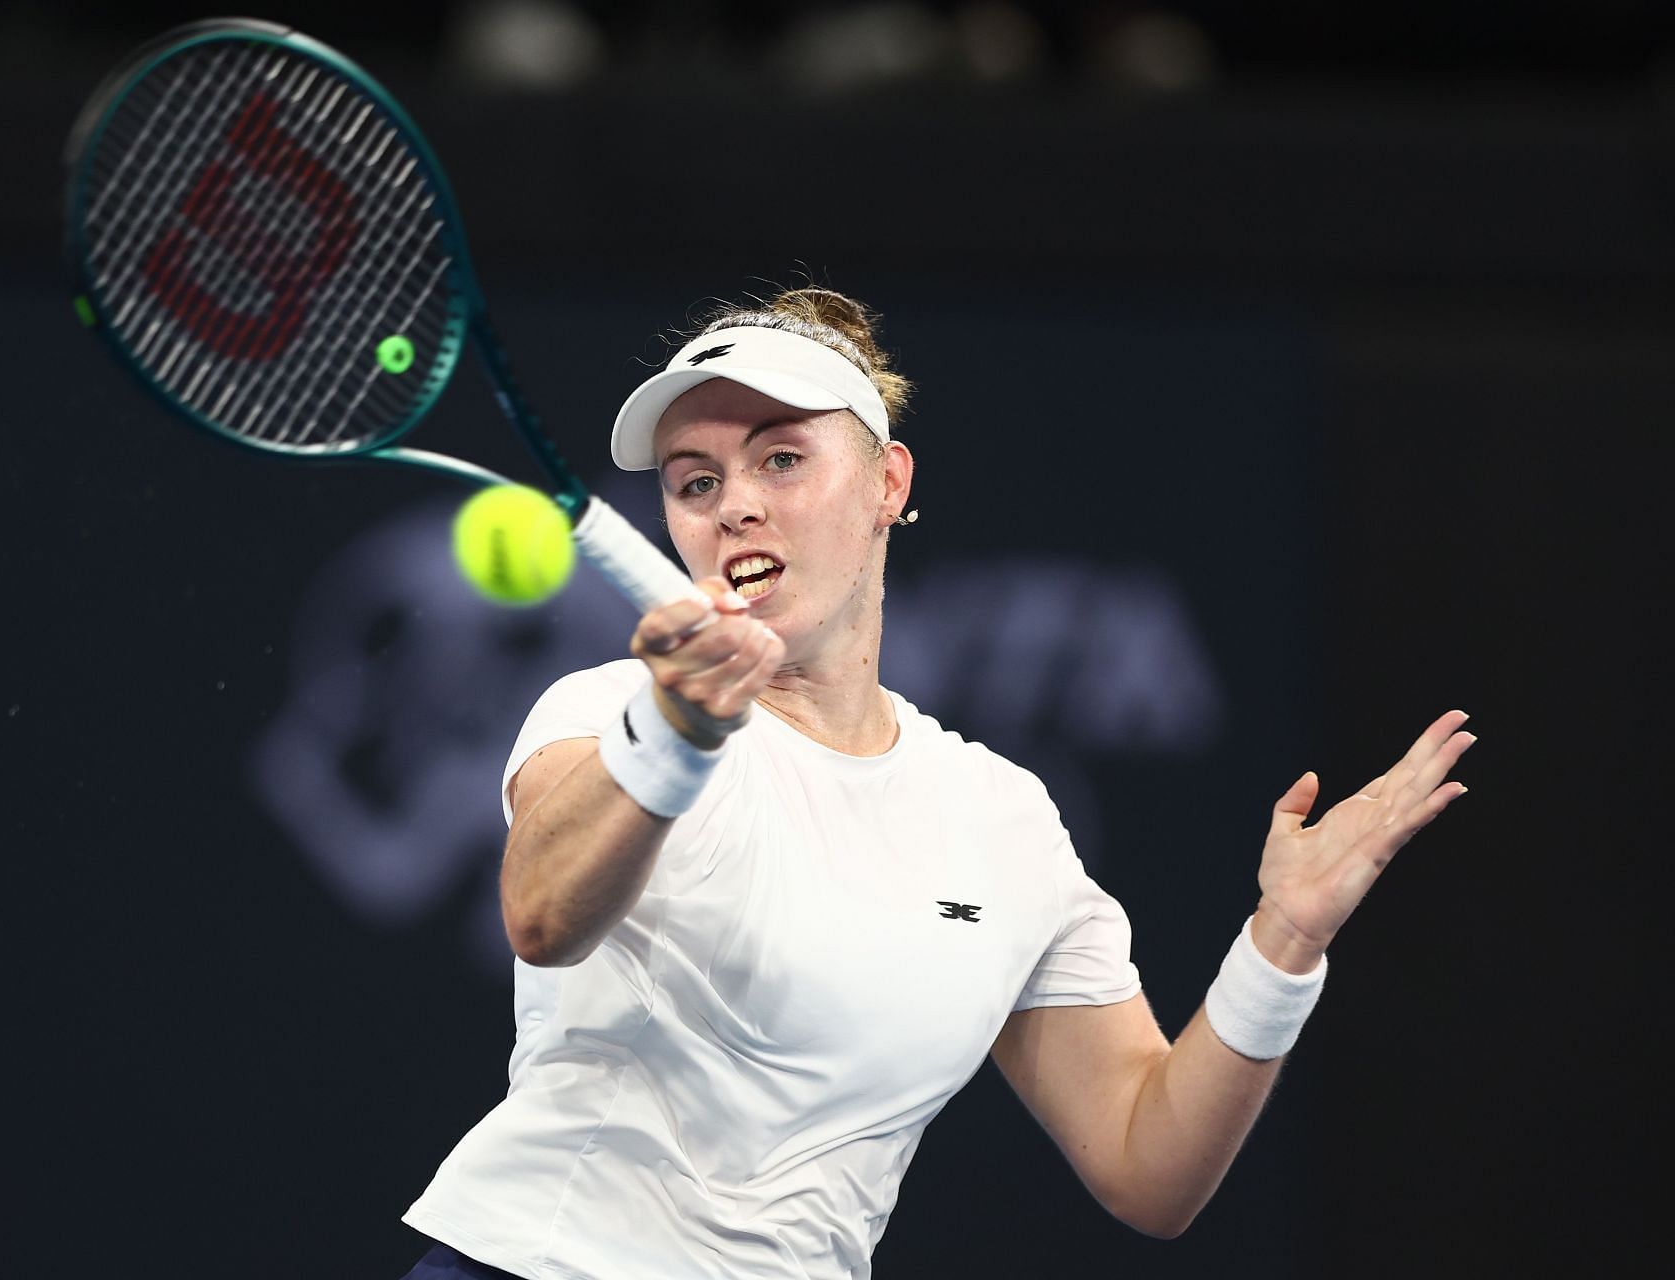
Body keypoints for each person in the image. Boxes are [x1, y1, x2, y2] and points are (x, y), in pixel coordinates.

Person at [398, 287, 1473, 1280]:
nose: (735, 506)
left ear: (889, 484)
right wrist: (674, 732)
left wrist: (1283, 941)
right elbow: (541, 915)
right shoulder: (606, 715)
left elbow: (1152, 1166)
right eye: (696, 480)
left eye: (781, 459)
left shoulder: (1000, 816)